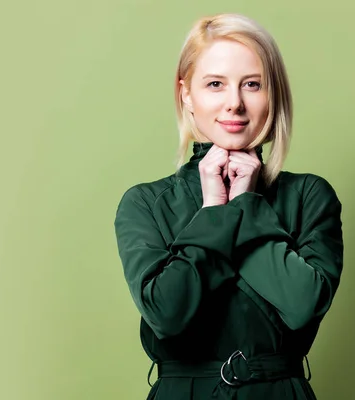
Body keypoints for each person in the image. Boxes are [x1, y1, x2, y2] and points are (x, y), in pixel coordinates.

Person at [113, 13, 343, 400]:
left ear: (274, 95)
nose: (234, 103)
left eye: (252, 84)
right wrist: (215, 211)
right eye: (215, 84)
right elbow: (167, 314)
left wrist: (246, 204)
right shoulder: (146, 203)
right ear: (186, 93)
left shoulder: (309, 196)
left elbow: (302, 305)